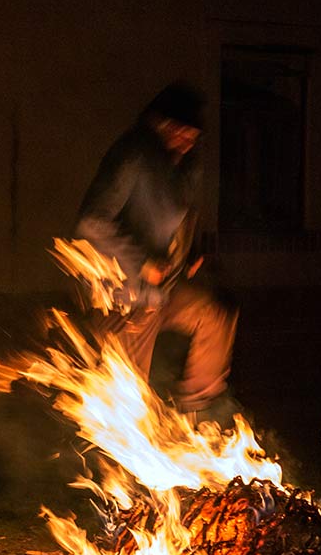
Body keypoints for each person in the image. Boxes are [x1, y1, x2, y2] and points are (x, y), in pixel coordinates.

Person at [72, 81, 242, 429]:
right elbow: (91, 222)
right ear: (160, 125)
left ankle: (199, 417)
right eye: (178, 132)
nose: (185, 141)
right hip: (124, 296)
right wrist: (141, 263)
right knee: (128, 396)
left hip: (163, 288)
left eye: (192, 135)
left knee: (215, 313)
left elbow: (174, 220)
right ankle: (123, 462)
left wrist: (191, 253)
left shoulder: (184, 167)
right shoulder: (133, 155)